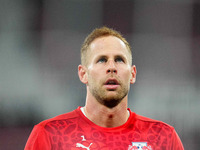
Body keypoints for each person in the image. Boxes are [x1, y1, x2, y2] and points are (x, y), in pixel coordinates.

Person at [25, 27, 184, 150]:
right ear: (83, 74)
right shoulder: (49, 135)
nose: (112, 67)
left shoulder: (163, 137)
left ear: (133, 74)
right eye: (102, 60)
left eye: (119, 60)